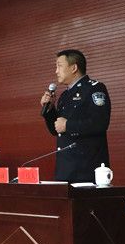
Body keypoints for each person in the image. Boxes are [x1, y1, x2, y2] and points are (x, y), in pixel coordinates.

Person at [40, 49, 110, 183]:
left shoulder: (94, 88)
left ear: (74, 68)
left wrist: (68, 125)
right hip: (65, 170)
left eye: (59, 66)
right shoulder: (65, 95)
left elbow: (100, 123)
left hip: (86, 170)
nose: (56, 71)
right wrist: (50, 109)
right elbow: (56, 129)